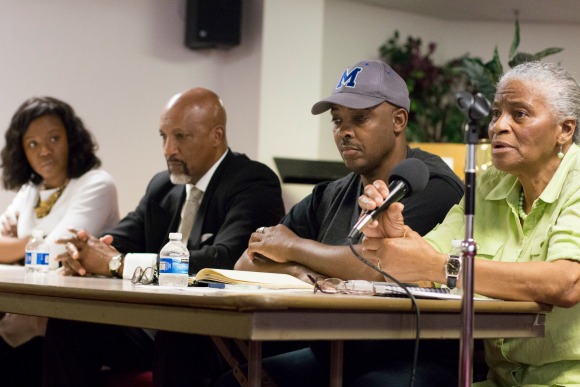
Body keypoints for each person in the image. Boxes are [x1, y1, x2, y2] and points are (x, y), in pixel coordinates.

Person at [224, 60, 465, 386]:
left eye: (360, 119)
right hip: (333, 350)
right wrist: (303, 274)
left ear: (398, 120)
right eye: (337, 121)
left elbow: (375, 266)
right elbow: (247, 261)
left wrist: (294, 247)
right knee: (234, 379)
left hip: (410, 355)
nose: (344, 132)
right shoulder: (330, 193)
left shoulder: (431, 183)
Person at [42, 87, 286, 387]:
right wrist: (84, 252)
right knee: (69, 325)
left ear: (216, 136)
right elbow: (118, 238)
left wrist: (119, 264)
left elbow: (226, 261)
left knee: (179, 337)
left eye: (181, 137)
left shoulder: (252, 181)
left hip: (216, 332)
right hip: (158, 325)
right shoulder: (163, 186)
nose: (168, 149)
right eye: (163, 136)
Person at [358, 61, 580, 386]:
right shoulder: (489, 181)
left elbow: (566, 282)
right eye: (495, 114)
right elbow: (424, 265)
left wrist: (439, 266)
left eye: (519, 114)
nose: (498, 127)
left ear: (565, 129)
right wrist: (396, 236)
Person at [0, 96, 119, 386]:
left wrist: (22, 246)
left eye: (54, 138)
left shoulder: (96, 184)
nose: (44, 152)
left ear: (72, 139)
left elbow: (55, 252)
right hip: (20, 327)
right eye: (33, 144)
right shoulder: (31, 189)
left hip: (71, 331)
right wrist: (35, 243)